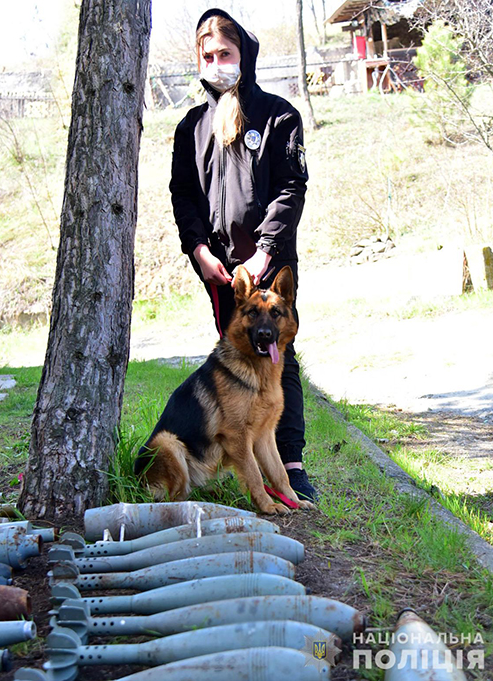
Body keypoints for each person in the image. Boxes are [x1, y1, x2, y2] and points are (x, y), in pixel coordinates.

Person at [169, 8, 316, 502]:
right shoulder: (191, 127)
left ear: (244, 54)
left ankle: (290, 467)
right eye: (207, 56)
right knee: (236, 360)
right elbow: (183, 196)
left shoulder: (278, 115)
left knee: (278, 359)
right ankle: (246, 457)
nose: (216, 64)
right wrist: (198, 250)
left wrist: (266, 251)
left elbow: (291, 189)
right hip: (222, 272)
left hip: (269, 265)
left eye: (225, 53)